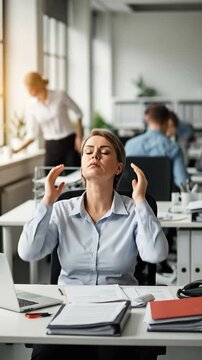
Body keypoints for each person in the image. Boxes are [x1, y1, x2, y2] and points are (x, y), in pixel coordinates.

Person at [18, 128, 168, 360]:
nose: (94, 156)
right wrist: (47, 202)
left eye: (104, 152)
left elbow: (155, 254)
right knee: (46, 356)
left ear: (119, 167)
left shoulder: (132, 211)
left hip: (120, 309)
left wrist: (140, 201)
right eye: (88, 151)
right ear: (82, 165)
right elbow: (28, 252)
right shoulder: (61, 209)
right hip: (70, 310)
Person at [12, 71, 83, 168]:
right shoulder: (30, 106)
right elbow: (32, 134)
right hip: (51, 145)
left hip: (69, 142)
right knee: (49, 177)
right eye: (27, 88)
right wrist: (16, 150)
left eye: (30, 87)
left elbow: (78, 113)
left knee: (73, 175)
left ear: (38, 84)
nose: (29, 91)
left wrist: (79, 137)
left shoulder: (60, 95)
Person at [125, 104, 189, 190]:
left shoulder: (129, 145)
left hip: (134, 199)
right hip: (166, 201)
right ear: (168, 121)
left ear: (147, 120)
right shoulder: (174, 148)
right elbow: (183, 182)